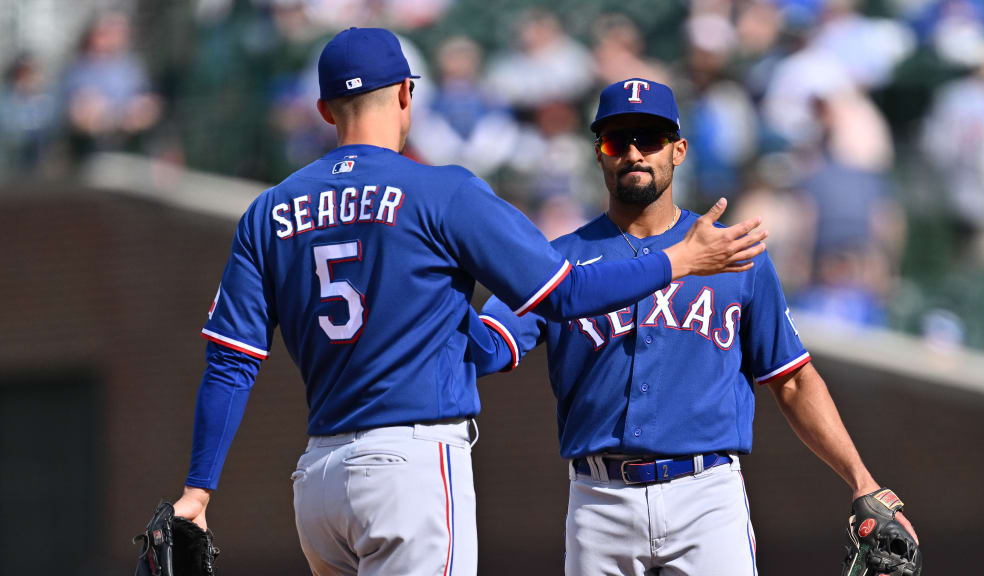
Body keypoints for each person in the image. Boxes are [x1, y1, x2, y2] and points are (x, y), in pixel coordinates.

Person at [168, 30, 767, 576]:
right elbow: (569, 295)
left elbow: (231, 360)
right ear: (406, 95)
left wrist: (198, 491)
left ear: (325, 110)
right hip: (409, 466)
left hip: (318, 481)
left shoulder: (267, 211)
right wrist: (680, 261)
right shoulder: (440, 190)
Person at [474, 78, 918, 575]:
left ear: (679, 150)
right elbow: (489, 346)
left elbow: (791, 377)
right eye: (618, 141)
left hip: (706, 495)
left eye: (650, 139)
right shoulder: (560, 262)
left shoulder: (735, 256)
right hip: (599, 498)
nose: (635, 153)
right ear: (598, 153)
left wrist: (862, 480)